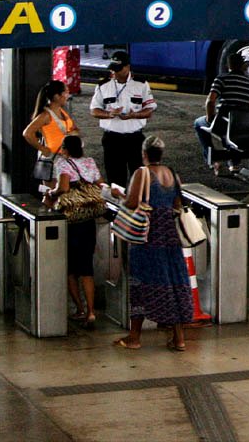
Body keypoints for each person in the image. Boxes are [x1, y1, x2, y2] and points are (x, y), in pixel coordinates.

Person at [111, 136, 193, 351]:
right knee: (172, 282)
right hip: (170, 236)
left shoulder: (142, 173)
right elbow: (177, 203)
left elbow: (132, 202)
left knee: (141, 282)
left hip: (147, 235)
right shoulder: (173, 174)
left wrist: (119, 195)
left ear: (144, 154)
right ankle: (179, 339)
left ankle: (134, 337)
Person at [42, 134, 103, 329]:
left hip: (72, 221)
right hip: (89, 220)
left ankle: (80, 309)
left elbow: (64, 186)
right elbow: (100, 183)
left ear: (65, 149)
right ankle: (92, 312)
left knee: (69, 269)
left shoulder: (62, 163)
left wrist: (50, 193)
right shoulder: (89, 161)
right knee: (87, 268)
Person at [90, 51, 158, 185]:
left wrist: (135, 115)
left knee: (139, 178)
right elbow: (94, 110)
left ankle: (137, 204)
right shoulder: (103, 85)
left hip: (135, 139)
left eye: (118, 69)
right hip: (112, 139)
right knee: (115, 180)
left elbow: (149, 110)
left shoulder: (141, 84)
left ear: (127, 67)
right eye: (112, 69)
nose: (114, 72)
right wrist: (109, 114)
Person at [193, 52, 249, 173]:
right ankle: (234, 164)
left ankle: (213, 161)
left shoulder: (222, 79)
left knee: (199, 123)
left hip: (223, 123)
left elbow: (210, 101)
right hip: (242, 125)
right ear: (242, 66)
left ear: (229, 66)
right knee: (229, 126)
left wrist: (210, 118)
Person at [22, 80, 79, 186]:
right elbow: (27, 133)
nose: (68, 95)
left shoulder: (62, 112)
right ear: (57, 96)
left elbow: (73, 128)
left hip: (65, 157)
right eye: (66, 92)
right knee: (53, 194)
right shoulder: (45, 116)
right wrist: (43, 149)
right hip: (53, 159)